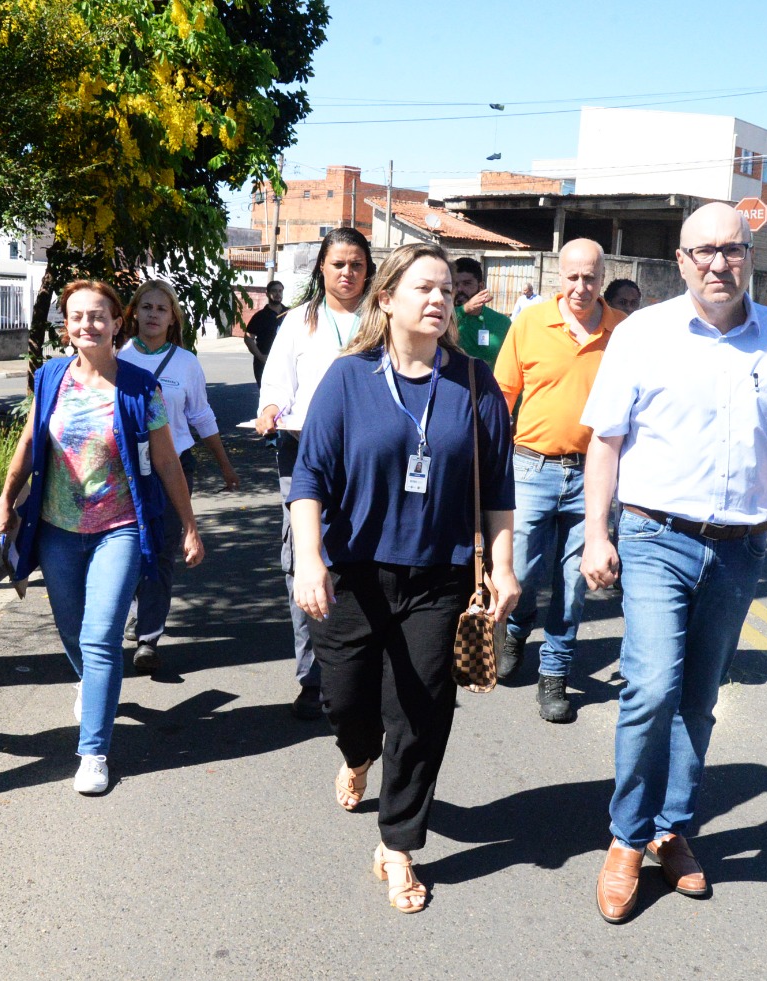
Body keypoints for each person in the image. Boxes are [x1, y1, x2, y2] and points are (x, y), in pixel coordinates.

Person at [579, 202, 767, 924]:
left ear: (750, 255)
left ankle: (672, 827)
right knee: (651, 687)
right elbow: (604, 441)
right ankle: (626, 838)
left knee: (699, 696)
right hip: (655, 536)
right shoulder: (641, 335)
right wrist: (595, 532)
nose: (717, 263)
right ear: (681, 257)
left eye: (730, 249)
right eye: (703, 251)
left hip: (740, 548)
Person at [288, 243, 519, 914]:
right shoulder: (348, 378)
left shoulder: (474, 384)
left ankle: (397, 843)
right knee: (346, 700)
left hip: (440, 576)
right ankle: (358, 754)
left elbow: (497, 487)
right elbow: (310, 478)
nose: (439, 299)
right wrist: (310, 558)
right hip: (354, 572)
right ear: (384, 298)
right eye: (423, 287)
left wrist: (502, 564)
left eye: (447, 289)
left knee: (420, 712)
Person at [0, 280, 204, 795]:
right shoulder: (49, 377)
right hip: (59, 530)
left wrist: (190, 524)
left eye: (98, 316)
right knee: (72, 632)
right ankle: (93, 685)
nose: (87, 324)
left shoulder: (138, 387)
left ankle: (93, 751)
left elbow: (165, 460)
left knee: (101, 634)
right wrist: (5, 498)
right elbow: (28, 442)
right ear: (66, 326)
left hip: (121, 528)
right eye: (77, 316)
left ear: (116, 323)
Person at [493, 238, 625, 723]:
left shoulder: (622, 331)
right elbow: (503, 393)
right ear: (557, 277)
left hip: (593, 475)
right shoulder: (529, 322)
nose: (581, 287)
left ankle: (555, 673)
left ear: (603, 277)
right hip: (529, 468)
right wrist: (485, 462)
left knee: (572, 581)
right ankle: (515, 628)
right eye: (572, 277)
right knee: (522, 569)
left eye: (590, 277)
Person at [256, 227, 373, 720]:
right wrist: (269, 409)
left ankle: (362, 673)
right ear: (321, 268)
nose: (347, 273)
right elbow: (278, 383)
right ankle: (312, 677)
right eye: (338, 264)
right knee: (301, 564)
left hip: (368, 460)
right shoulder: (297, 322)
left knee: (365, 562)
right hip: (303, 453)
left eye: (357, 265)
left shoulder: (382, 319)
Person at [118, 280, 239, 672]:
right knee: (130, 548)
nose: (153, 315)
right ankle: (137, 607)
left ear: (173, 319)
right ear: (134, 313)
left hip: (175, 468)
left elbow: (201, 416)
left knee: (163, 551)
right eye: (147, 307)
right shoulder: (116, 358)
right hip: (125, 470)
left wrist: (224, 463)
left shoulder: (186, 363)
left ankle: (148, 636)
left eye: (162, 309)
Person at [453, 256, 513, 366]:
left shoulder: (502, 322)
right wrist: (464, 309)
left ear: (481, 286)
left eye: (467, 283)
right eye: (455, 284)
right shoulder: (443, 319)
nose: (460, 289)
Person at [243, 280, 287, 385]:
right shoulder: (260, 316)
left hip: (286, 363)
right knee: (268, 397)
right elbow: (248, 338)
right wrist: (261, 356)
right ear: (267, 293)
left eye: (280, 291)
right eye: (274, 291)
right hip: (265, 365)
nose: (278, 294)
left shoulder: (289, 313)